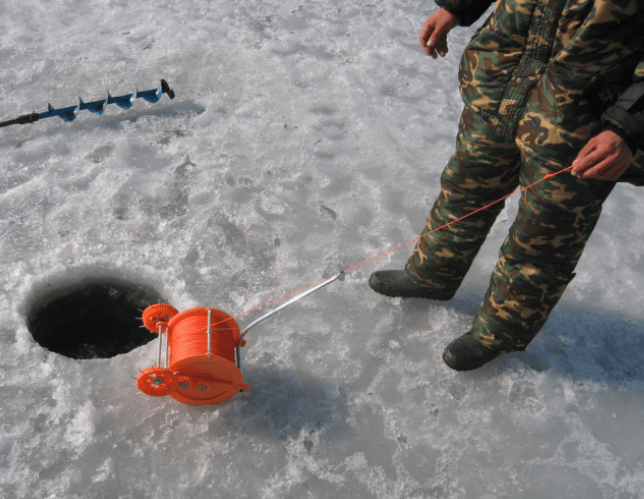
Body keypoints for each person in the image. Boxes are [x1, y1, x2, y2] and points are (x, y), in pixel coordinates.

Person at [369, 0, 644, 371]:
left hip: (584, 119)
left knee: (544, 233)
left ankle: (498, 333)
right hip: (503, 80)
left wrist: (627, 125)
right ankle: (432, 274)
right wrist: (456, 6)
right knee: (466, 184)